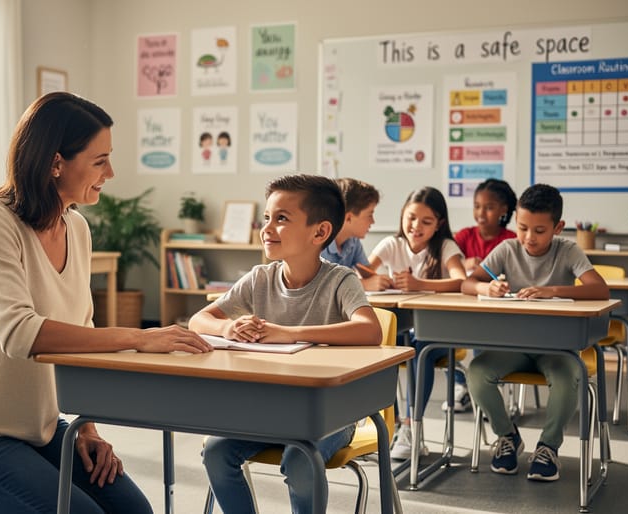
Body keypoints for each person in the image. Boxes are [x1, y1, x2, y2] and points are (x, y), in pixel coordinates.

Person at [0, 92, 213, 514]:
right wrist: (140, 337)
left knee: (135, 512)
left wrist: (86, 427)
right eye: (99, 160)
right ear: (55, 163)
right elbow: (20, 334)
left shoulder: (78, 229)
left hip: (45, 429)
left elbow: (81, 335)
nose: (111, 172)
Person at [190, 174, 382, 514]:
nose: (267, 228)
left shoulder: (341, 280)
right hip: (270, 408)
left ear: (320, 232)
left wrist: (290, 333)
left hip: (329, 411)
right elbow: (199, 320)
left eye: (281, 219)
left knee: (299, 456)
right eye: (266, 218)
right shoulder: (259, 278)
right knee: (217, 451)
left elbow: (369, 331)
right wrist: (230, 326)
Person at [462, 183, 608, 482]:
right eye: (523, 227)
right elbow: (467, 283)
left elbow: (600, 289)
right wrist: (485, 287)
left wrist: (551, 290)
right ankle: (507, 437)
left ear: (558, 227)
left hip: (556, 349)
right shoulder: (507, 249)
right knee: (477, 371)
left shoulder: (568, 250)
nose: (529, 238)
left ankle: (548, 447)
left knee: (568, 377)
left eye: (539, 230)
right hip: (513, 346)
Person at [367, 186, 466, 460]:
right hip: (403, 328)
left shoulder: (446, 247)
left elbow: (461, 280)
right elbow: (360, 274)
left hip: (439, 331)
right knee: (383, 348)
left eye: (426, 221)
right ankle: (395, 424)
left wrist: (419, 284)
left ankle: (412, 428)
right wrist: (373, 281)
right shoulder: (391, 244)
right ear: (402, 216)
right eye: (411, 218)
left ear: (439, 224)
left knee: (419, 348)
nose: (416, 226)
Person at [444, 178, 518, 413]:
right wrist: (465, 262)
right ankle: (462, 385)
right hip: (464, 306)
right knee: (442, 337)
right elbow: (447, 266)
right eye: (477, 206)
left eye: (489, 207)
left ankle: (487, 395)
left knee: (485, 341)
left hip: (497, 312)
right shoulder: (465, 236)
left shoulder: (511, 241)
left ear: (504, 210)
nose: (481, 212)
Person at [320, 178, 393, 291]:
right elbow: (318, 284)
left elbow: (367, 273)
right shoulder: (318, 244)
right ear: (348, 218)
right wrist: (362, 285)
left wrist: (387, 282)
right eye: (369, 215)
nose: (373, 221)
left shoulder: (353, 242)